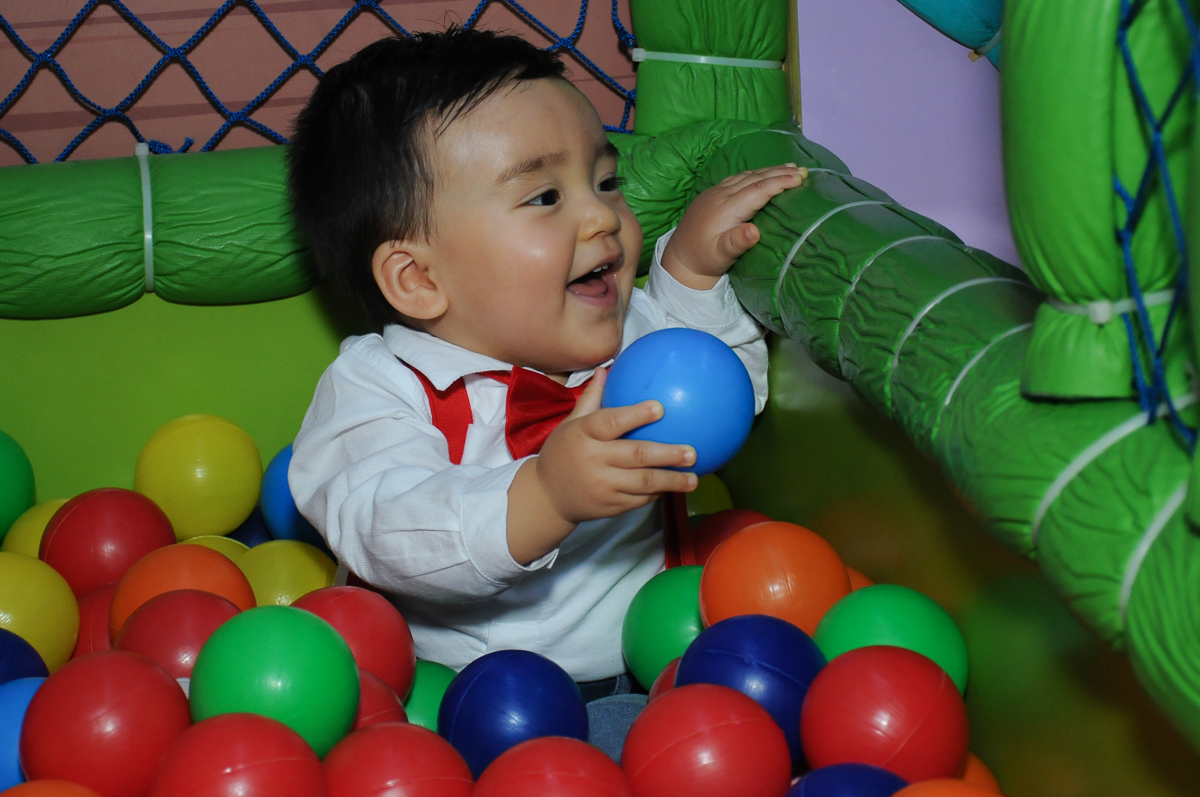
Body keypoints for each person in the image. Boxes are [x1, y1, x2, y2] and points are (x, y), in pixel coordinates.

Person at [286, 27, 804, 699]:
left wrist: (692, 276)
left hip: (649, 671)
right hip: (441, 696)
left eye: (607, 180)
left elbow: (723, 392)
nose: (602, 216)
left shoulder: (626, 331)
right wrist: (544, 494)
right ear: (418, 278)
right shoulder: (377, 386)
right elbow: (382, 527)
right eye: (545, 198)